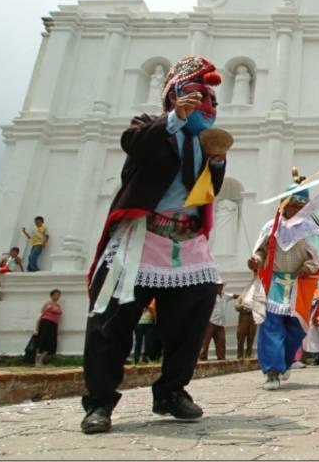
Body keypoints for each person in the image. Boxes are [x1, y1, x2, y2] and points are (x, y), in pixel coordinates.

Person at [80, 55, 229, 435]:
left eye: (212, 100)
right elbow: (132, 144)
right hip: (140, 237)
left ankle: (171, 391)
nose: (207, 106)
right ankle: (99, 402)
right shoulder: (149, 127)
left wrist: (216, 163)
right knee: (112, 320)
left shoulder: (205, 142)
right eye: (199, 96)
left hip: (186, 240)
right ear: (175, 96)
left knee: (195, 310)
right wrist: (174, 119)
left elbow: (205, 194)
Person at [249, 168, 319, 390]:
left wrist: (308, 266)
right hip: (274, 285)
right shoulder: (270, 228)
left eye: (302, 207)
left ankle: (285, 361)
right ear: (284, 204)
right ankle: (272, 371)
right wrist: (256, 259)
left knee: (296, 330)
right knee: (270, 327)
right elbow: (262, 252)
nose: (296, 210)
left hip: (299, 286)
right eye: (293, 205)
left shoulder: (311, 230)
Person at [199, 280, 236, 361]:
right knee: (205, 343)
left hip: (220, 324)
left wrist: (244, 296)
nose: (220, 287)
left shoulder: (225, 295)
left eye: (221, 285)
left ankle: (221, 360)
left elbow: (234, 296)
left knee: (221, 343)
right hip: (210, 323)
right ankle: (202, 360)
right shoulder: (210, 296)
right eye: (218, 285)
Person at [34, 289, 63, 365]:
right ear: (52, 295)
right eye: (56, 295)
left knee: (51, 342)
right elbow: (41, 315)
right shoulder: (48, 304)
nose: (57, 296)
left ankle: (41, 359)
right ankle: (36, 360)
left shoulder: (58, 306)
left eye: (59, 295)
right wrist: (36, 328)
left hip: (54, 325)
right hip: (46, 323)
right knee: (42, 341)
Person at [132, 299, 156, 364]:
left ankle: (145, 357)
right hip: (139, 323)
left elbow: (153, 310)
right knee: (138, 342)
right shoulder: (138, 301)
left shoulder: (152, 301)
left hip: (149, 323)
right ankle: (136, 359)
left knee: (148, 342)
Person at [234, 294, 257, 359]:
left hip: (253, 318)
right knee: (241, 337)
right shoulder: (241, 297)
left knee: (251, 337)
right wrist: (243, 306)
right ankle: (240, 355)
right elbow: (236, 306)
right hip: (243, 317)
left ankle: (249, 354)